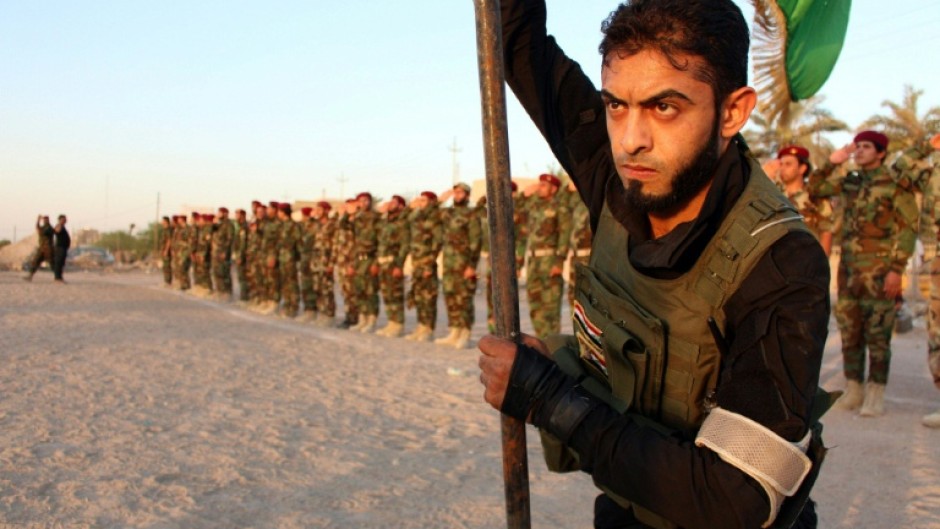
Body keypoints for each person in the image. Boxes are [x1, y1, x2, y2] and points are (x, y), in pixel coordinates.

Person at [477, 1, 831, 527]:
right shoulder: (619, 175)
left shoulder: (779, 261)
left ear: (733, 111)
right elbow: (516, 42)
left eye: (665, 107)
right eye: (615, 105)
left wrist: (547, 397)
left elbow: (735, 496)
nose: (629, 139)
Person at [811, 131, 926, 417]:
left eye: (865, 147)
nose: (858, 151)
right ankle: (854, 388)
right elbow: (816, 188)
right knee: (850, 331)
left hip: (879, 272)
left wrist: (896, 270)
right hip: (849, 271)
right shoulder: (850, 182)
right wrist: (832, 161)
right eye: (857, 146)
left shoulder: (894, 184)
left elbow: (908, 227)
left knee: (877, 334)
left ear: (881, 152)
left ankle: (876, 391)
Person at [908, 132, 940, 427]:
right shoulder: (931, 173)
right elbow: (899, 169)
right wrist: (926, 145)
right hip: (937, 263)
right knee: (937, 331)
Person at [517, 173, 571, 338]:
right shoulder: (533, 207)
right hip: (533, 262)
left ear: (553, 189)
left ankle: (552, 346)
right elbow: (518, 219)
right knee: (535, 305)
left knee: (550, 307)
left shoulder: (560, 206)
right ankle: (542, 340)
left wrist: (559, 262)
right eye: (539, 184)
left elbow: (564, 234)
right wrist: (519, 264)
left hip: (549, 261)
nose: (539, 187)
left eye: (543, 185)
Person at [435, 183, 482, 348]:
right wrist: (439, 200)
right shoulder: (447, 213)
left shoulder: (471, 214)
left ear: (467, 195)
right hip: (449, 264)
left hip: (464, 264)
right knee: (450, 297)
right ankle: (454, 331)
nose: (456, 195)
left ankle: (465, 333)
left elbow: (476, 241)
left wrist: (471, 265)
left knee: (464, 299)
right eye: (455, 192)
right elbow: (427, 215)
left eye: (460, 192)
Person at [763, 146, 834, 256]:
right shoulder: (773, 194)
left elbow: (826, 232)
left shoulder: (814, 197)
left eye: (788, 164)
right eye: (781, 164)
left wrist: (822, 264)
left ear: (802, 168)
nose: (782, 168)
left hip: (806, 260)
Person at [404, 191, 443, 341]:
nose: (420, 202)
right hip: (417, 263)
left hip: (427, 263)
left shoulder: (435, 217)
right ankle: (421, 325)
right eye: (420, 199)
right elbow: (407, 219)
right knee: (419, 296)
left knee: (428, 298)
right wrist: (410, 207)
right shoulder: (418, 216)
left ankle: (428, 328)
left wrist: (429, 264)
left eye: (424, 200)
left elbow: (437, 243)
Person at [375, 195, 411, 337]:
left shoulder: (402, 222)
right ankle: (391, 322)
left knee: (395, 294)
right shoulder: (385, 221)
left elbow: (404, 245)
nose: (390, 204)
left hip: (393, 262)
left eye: (394, 202)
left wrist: (398, 265)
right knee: (387, 294)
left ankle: (398, 324)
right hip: (383, 262)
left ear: (401, 206)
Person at [348, 192, 381, 332]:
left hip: (371, 258)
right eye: (360, 201)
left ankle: (372, 320)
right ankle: (362, 319)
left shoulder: (376, 218)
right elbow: (345, 227)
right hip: (358, 258)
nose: (363, 203)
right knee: (359, 290)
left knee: (371, 291)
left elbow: (381, 242)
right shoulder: (356, 218)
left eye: (366, 201)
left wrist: (377, 263)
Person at [334, 199, 360, 328]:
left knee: (352, 292)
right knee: (345, 292)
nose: (346, 208)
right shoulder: (345, 221)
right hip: (342, 262)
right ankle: (349, 317)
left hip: (352, 261)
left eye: (349, 206)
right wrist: (342, 214)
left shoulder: (358, 221)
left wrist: (353, 264)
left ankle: (354, 319)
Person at [311, 201, 338, 327]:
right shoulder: (316, 225)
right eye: (316, 209)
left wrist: (331, 263)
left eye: (319, 209)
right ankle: (321, 312)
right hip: (316, 262)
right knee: (318, 288)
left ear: (326, 211)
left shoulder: (332, 225)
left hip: (326, 261)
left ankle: (329, 314)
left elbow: (334, 245)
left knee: (327, 289)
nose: (317, 211)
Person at [276, 202, 302, 318]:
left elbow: (298, 242)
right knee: (285, 284)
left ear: (283, 212)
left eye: (279, 211)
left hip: (290, 258)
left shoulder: (293, 225)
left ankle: (294, 307)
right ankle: (287, 305)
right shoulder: (281, 225)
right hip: (282, 257)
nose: (278, 214)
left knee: (292, 284)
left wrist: (297, 256)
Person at [211, 207, 235, 300]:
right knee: (217, 272)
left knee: (224, 272)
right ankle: (220, 290)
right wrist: (214, 223)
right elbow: (212, 232)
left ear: (225, 213)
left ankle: (227, 292)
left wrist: (225, 252)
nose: (218, 214)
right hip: (216, 251)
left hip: (223, 252)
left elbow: (229, 240)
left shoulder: (229, 225)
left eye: (220, 213)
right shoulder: (219, 224)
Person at [24, 215, 54, 281]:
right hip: (42, 248)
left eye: (46, 220)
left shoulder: (49, 228)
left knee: (52, 263)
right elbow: (38, 228)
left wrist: (38, 223)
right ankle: (30, 276)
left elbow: (41, 231)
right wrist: (38, 220)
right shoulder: (44, 227)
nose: (45, 221)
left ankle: (58, 276)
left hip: (48, 248)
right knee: (35, 261)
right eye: (44, 220)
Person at [52, 214, 71, 283]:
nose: (65, 220)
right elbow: (56, 231)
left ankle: (60, 277)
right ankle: (57, 278)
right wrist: (59, 224)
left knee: (61, 263)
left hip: (63, 247)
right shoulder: (58, 226)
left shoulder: (63, 227)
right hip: (60, 247)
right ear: (60, 220)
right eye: (64, 219)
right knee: (58, 262)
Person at [158, 216, 174, 287]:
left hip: (167, 251)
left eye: (163, 221)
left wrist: (166, 250)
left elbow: (169, 240)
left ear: (166, 221)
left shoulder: (168, 230)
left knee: (167, 266)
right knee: (165, 266)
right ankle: (166, 281)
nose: (162, 222)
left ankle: (168, 281)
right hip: (163, 250)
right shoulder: (164, 229)